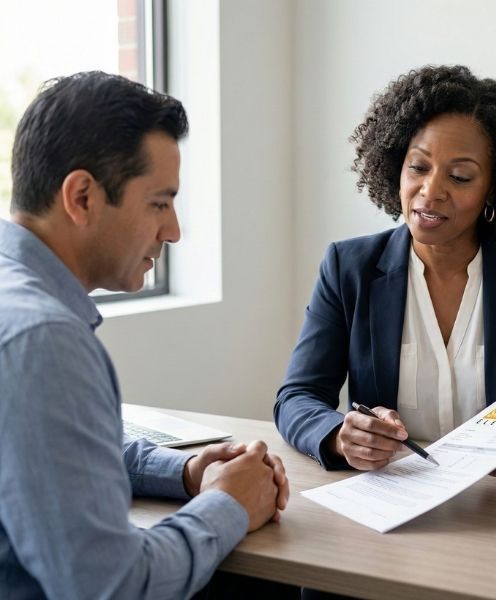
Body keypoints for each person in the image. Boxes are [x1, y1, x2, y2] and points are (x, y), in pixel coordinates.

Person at [0, 71, 297, 599]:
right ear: (83, 196)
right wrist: (228, 504)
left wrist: (184, 470)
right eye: (159, 203)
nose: (174, 230)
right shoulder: (42, 339)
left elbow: (53, 454)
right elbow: (113, 587)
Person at [275, 64, 496, 479]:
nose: (430, 192)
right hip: (392, 496)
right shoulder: (348, 267)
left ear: (493, 189)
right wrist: (341, 434)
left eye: (460, 176)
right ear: (396, 167)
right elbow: (297, 397)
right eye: (419, 167)